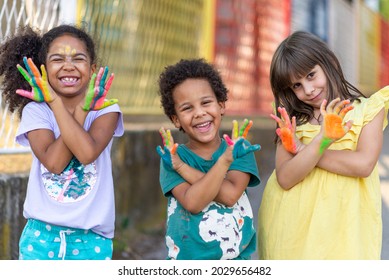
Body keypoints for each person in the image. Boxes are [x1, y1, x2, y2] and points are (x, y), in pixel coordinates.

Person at [257, 31, 389, 259]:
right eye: (296, 86)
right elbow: (286, 178)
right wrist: (321, 140)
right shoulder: (292, 120)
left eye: (311, 75)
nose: (308, 90)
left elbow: (363, 164)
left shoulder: (368, 110)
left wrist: (303, 151)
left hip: (345, 227)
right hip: (291, 229)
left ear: (329, 63)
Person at [0, 24, 124, 260]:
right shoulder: (36, 112)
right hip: (40, 238)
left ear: (92, 68)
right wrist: (58, 103)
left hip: (92, 239)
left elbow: (87, 153)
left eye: (78, 58)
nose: (69, 65)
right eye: (58, 59)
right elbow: (54, 164)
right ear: (44, 69)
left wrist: (83, 108)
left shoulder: (107, 110)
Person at [156, 58, 261, 260]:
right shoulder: (172, 157)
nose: (200, 113)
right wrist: (178, 164)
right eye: (187, 108)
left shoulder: (239, 150)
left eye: (206, 103)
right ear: (176, 119)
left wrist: (183, 168)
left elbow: (230, 195)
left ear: (221, 105)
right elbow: (193, 202)